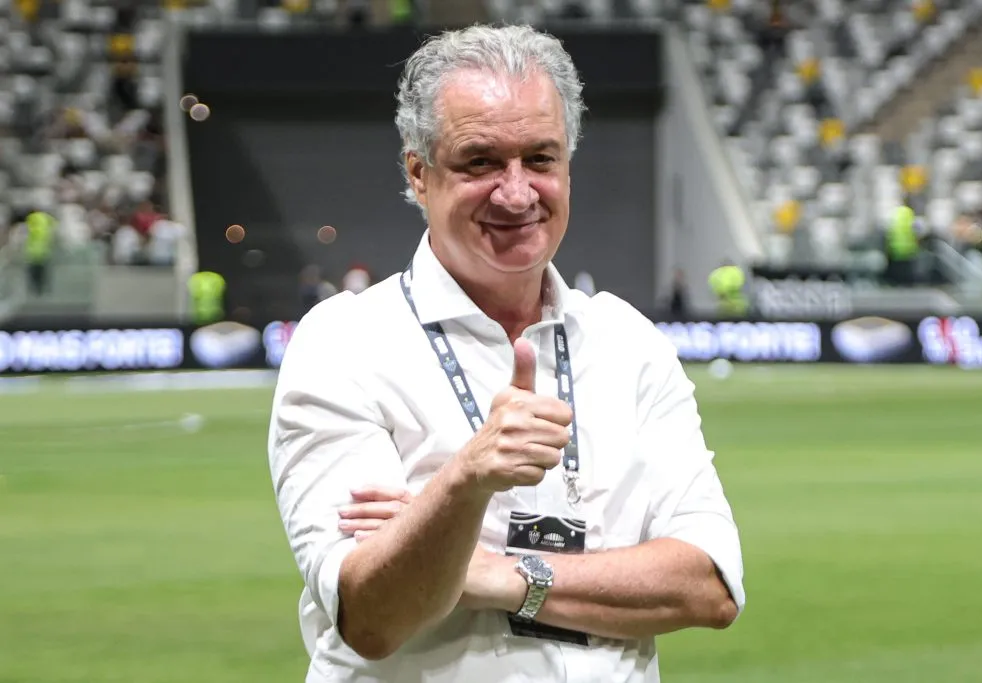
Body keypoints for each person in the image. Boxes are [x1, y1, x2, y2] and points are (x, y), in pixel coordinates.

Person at [267, 24, 744, 683]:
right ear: (419, 173)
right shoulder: (344, 344)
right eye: (480, 161)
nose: (517, 193)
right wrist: (465, 478)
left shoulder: (628, 343)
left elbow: (709, 585)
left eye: (540, 159)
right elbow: (373, 617)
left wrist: (494, 574)